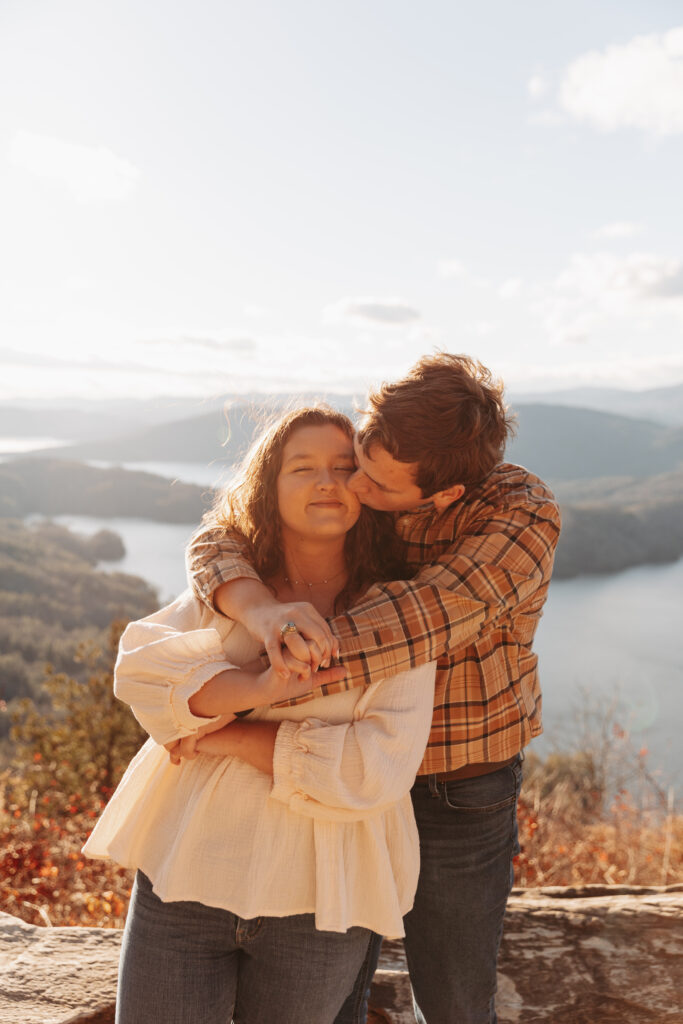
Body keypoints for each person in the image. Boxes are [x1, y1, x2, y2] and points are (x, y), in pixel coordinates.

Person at [186, 353, 562, 1024]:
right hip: (338, 762)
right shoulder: (368, 479)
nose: (351, 484)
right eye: (357, 454)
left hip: (453, 786)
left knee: (448, 998)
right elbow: (224, 535)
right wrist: (260, 611)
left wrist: (236, 689)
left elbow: (412, 625)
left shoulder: (519, 517)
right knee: (330, 988)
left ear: (440, 495)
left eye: (377, 483)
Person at [83, 406, 436, 1024]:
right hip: (187, 868)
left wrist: (228, 730)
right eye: (303, 467)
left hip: (322, 895)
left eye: (343, 467)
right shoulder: (231, 590)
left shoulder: (395, 612)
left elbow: (375, 769)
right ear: (270, 487)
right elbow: (141, 673)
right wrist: (256, 682)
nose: (326, 481)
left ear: (365, 488)